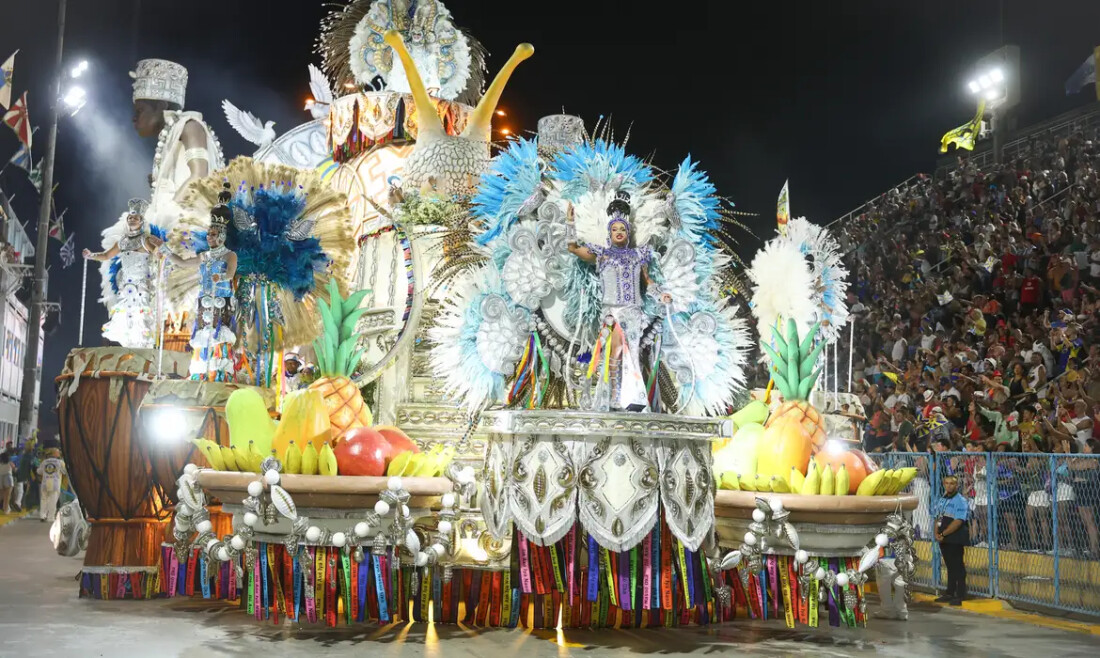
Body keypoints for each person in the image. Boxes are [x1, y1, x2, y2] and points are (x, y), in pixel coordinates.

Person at [567, 191, 671, 411]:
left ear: (628, 231)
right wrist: (570, 223)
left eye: (623, 229)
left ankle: (633, 400)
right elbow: (573, 249)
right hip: (612, 313)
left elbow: (647, 281)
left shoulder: (638, 255)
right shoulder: (602, 254)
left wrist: (660, 294)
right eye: (615, 229)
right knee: (613, 352)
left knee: (631, 355)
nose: (619, 232)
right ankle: (613, 396)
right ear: (609, 233)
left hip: (634, 313)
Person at [129, 58, 223, 230]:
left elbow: (199, 176)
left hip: (190, 231)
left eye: (140, 111)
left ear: (161, 106)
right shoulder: (171, 137)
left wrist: (164, 222)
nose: (134, 118)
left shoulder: (190, 125)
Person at [161, 185, 238, 382]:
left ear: (221, 235)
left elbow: (230, 274)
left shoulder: (230, 255)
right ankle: (201, 373)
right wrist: (166, 251)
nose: (209, 237)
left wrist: (219, 277)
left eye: (213, 234)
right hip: (204, 301)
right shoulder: (204, 256)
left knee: (219, 334)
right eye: (208, 234)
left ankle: (220, 373)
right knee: (203, 334)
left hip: (222, 300)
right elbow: (183, 262)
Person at [84, 199, 164, 348]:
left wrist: (161, 253)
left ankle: (142, 351)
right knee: (124, 321)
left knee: (141, 321)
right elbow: (107, 255)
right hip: (126, 289)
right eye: (130, 217)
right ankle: (128, 351)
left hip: (142, 288)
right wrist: (91, 255)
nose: (132, 220)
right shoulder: (123, 241)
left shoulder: (146, 239)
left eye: (135, 218)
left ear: (141, 221)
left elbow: (159, 254)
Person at [934, 474, 970, 605]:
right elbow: (937, 517)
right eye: (947, 483)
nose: (949, 486)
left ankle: (960, 594)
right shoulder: (942, 499)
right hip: (944, 537)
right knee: (950, 566)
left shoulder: (960, 500)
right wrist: (936, 533)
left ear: (957, 485)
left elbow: (958, 521)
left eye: (952, 483)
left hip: (955, 537)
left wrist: (943, 533)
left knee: (957, 566)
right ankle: (950, 592)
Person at [37, 449, 67, 523]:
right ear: (55, 454)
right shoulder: (60, 462)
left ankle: (42, 515)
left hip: (45, 483)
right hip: (55, 483)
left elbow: (39, 471)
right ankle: (50, 517)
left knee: (44, 499)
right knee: (52, 500)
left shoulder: (44, 462)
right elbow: (64, 471)